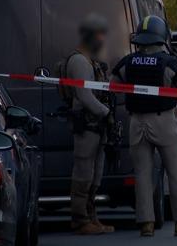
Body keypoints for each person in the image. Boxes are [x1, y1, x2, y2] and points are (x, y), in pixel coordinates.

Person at [111, 15, 177, 237]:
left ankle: (146, 223)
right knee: (175, 173)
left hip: (137, 122)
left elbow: (113, 85)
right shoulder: (169, 63)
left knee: (142, 174)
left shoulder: (127, 62)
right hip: (164, 121)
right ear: (161, 38)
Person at [65, 13, 115, 235]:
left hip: (97, 126)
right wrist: (106, 113)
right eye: (100, 35)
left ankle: (91, 216)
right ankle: (80, 218)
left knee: (95, 174)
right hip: (87, 125)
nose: (103, 40)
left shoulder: (91, 61)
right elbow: (84, 96)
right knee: (83, 173)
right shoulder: (79, 61)